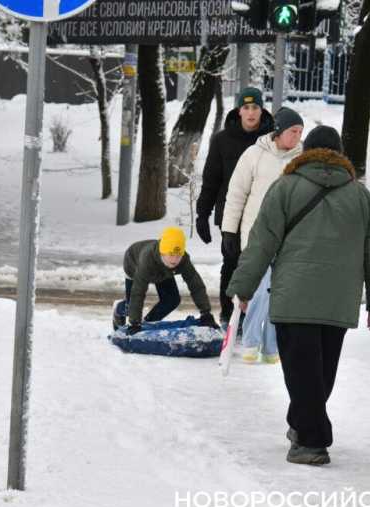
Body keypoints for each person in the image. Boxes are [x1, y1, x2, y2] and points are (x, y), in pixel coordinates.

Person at [226, 126, 370, 466]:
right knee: (321, 373)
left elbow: (262, 243)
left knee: (303, 373)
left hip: (294, 296)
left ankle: (312, 441)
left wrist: (242, 288)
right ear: (340, 155)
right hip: (339, 300)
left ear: (306, 152)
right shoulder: (362, 198)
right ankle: (301, 426)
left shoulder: (284, 188)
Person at [220, 107, 304, 364]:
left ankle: (271, 348)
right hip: (257, 236)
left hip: (289, 238)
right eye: (293, 131)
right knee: (259, 292)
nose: (297, 137)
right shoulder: (254, 155)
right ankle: (251, 342)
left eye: (301, 132)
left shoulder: (302, 158)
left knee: (280, 294)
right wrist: (229, 231)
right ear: (279, 131)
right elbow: (236, 194)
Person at [196, 87, 275, 327]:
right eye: (246, 108)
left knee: (261, 266)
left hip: (264, 215)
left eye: (255, 108)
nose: (251, 113)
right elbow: (211, 179)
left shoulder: (272, 139)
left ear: (262, 110)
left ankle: (259, 316)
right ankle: (230, 314)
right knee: (232, 263)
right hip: (231, 215)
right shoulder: (222, 140)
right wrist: (203, 214)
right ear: (239, 110)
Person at [113, 227, 219, 335]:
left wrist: (206, 313)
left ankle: (148, 322)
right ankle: (119, 308)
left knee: (172, 300)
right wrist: (134, 323)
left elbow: (196, 285)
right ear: (163, 252)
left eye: (178, 256)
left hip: (163, 271)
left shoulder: (183, 260)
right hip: (133, 263)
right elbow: (138, 293)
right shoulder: (147, 260)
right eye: (171, 255)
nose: (175, 260)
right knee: (131, 305)